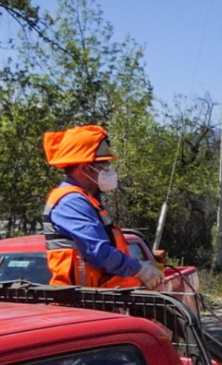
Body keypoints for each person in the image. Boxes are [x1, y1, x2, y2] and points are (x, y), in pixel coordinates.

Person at [41, 124, 162, 289]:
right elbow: (98, 252)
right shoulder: (71, 202)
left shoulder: (88, 200)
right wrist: (139, 269)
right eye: (103, 164)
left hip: (94, 300)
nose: (108, 170)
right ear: (85, 168)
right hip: (78, 304)